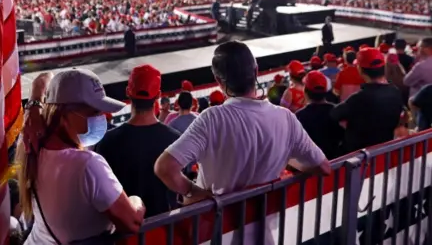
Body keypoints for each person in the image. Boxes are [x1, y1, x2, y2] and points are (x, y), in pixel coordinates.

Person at [154, 41, 330, 210]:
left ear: (218, 80)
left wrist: (193, 191)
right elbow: (323, 167)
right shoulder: (285, 118)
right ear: (256, 70)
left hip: (218, 230)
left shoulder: (212, 118)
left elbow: (165, 167)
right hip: (266, 231)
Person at [16, 69, 145, 244]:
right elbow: (133, 222)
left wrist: (34, 104)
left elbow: (43, 78)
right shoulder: (88, 164)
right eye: (93, 112)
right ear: (64, 114)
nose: (101, 118)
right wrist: (136, 201)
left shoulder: (30, 147)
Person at [95, 65, 180, 217]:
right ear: (158, 95)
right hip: (166, 231)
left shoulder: (106, 141)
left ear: (128, 92)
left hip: (123, 234)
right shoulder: (175, 140)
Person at [331, 47, 403, 153]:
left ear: (360, 69)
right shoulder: (395, 92)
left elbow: (334, 114)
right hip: (384, 152)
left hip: (360, 157)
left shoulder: (358, 99)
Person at [295, 71, 344, 160]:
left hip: (311, 165)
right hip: (336, 163)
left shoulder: (299, 116)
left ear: (305, 91)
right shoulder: (337, 110)